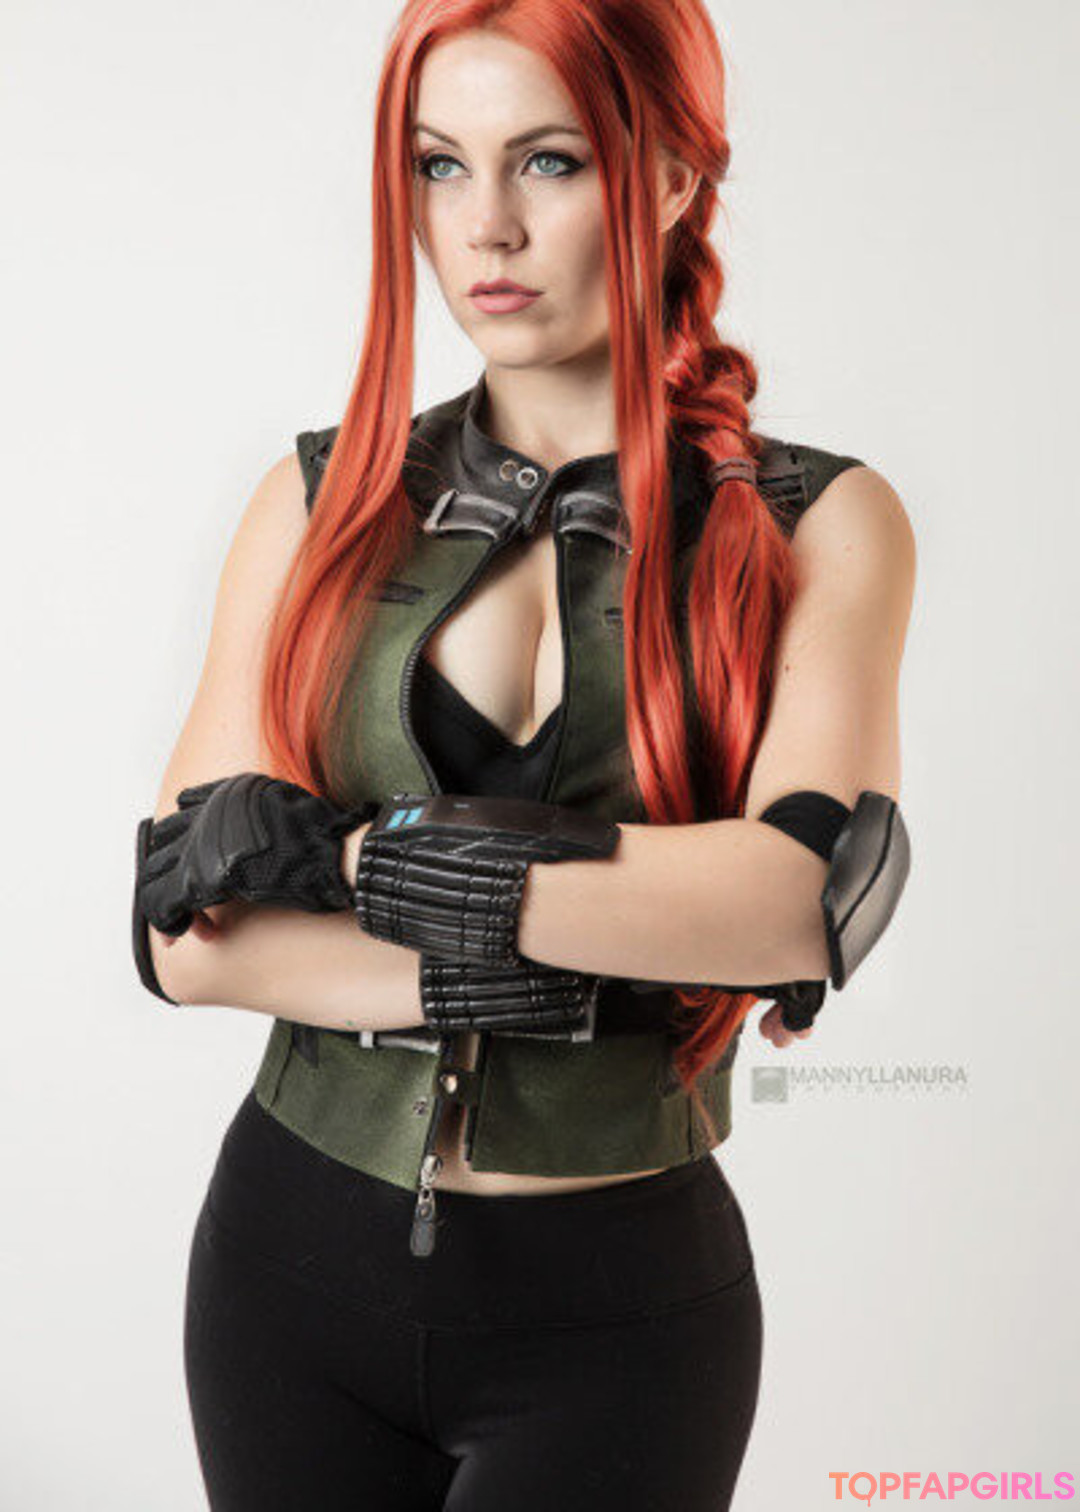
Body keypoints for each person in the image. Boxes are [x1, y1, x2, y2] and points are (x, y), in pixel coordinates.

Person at [132, 2, 916, 1507]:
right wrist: (603, 956)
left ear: (672, 175)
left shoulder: (822, 521)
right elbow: (185, 932)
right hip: (286, 1266)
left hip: (623, 1315)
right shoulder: (315, 502)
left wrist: (351, 860)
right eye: (440, 165)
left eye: (548, 161)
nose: (484, 225)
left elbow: (796, 900)